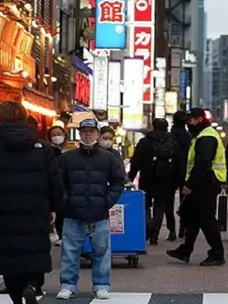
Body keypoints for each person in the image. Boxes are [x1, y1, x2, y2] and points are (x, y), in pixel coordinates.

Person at [0, 101, 63, 304]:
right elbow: (55, 181)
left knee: (9, 260)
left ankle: (16, 298)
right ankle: (31, 286)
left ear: (1, 119)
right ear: (24, 117)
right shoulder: (43, 148)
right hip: (36, 210)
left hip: (2, 212)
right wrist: (54, 207)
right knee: (35, 254)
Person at [55, 119, 125, 300]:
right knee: (70, 252)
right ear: (79, 133)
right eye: (84, 131)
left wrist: (107, 201)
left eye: (91, 131)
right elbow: (57, 183)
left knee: (101, 251)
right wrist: (65, 203)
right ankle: (68, 285)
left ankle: (102, 285)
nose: (87, 134)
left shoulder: (108, 158)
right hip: (73, 212)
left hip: (99, 212)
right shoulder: (67, 158)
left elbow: (118, 182)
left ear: (97, 133)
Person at [166, 108, 226, 266]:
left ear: (199, 119)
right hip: (204, 182)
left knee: (207, 218)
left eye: (190, 120)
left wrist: (189, 185)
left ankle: (217, 254)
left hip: (206, 183)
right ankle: (185, 250)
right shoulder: (202, 135)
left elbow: (202, 163)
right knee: (193, 217)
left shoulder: (206, 137)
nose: (188, 123)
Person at [129, 118, 180, 244]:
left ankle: (148, 225)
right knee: (160, 206)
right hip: (166, 179)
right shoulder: (173, 143)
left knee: (145, 205)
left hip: (147, 178)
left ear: (153, 126)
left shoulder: (144, 142)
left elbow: (136, 162)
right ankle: (155, 234)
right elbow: (179, 164)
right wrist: (177, 182)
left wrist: (130, 178)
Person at [170, 110, 192, 238]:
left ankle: (171, 230)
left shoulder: (170, 135)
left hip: (171, 170)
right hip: (185, 171)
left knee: (169, 202)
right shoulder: (188, 136)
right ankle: (182, 229)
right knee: (185, 201)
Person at [47, 125, 69, 247]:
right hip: (54, 184)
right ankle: (60, 235)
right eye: (53, 135)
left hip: (68, 184)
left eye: (59, 134)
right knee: (58, 211)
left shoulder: (71, 149)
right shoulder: (47, 150)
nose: (56, 137)